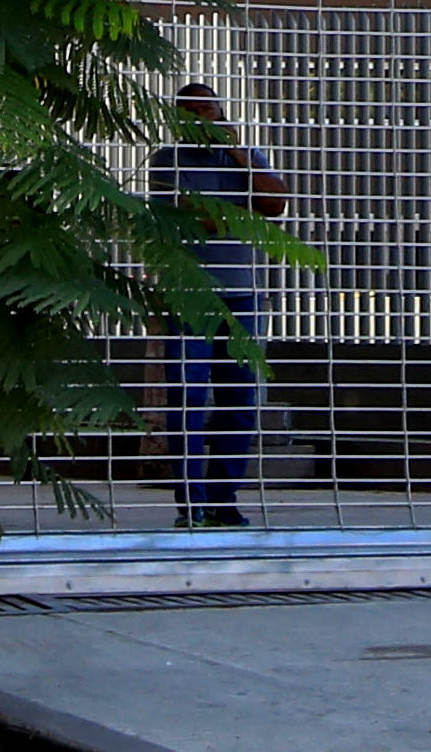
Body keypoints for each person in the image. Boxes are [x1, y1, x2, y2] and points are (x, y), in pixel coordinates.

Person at [148, 79, 289, 527]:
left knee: (239, 400)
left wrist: (237, 155)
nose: (200, 122)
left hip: (242, 295)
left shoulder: (244, 157)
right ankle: (192, 502)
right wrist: (236, 213)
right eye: (190, 114)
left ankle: (224, 499)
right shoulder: (167, 161)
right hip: (190, 297)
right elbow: (193, 217)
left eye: (207, 112)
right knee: (189, 398)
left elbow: (275, 202)